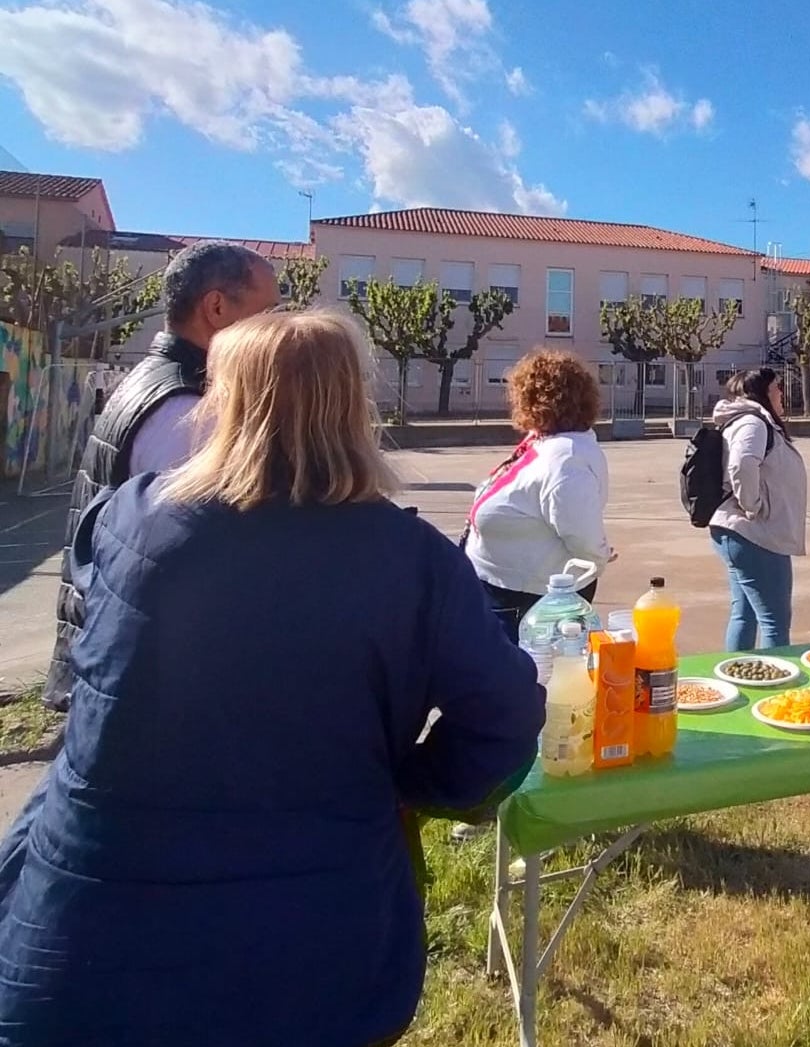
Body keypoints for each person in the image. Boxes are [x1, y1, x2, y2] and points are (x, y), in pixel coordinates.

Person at [0, 310, 545, 1047]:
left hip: (78, 945)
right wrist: (416, 785)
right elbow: (506, 718)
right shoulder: (412, 559)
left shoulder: (128, 514)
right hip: (309, 955)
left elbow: (103, 621)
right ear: (354, 405)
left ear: (223, 401)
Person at [42, 240, 280, 712]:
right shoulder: (190, 412)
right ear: (216, 307)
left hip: (109, 657)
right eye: (268, 312)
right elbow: (199, 562)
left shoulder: (155, 380)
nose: (277, 327)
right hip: (140, 679)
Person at [462, 348, 613, 642]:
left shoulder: (566, 458)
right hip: (506, 593)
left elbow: (583, 538)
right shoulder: (546, 442)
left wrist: (599, 554)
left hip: (529, 605)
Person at [709, 367, 807, 651]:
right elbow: (742, 464)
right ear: (762, 392)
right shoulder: (753, 423)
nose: (781, 393)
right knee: (774, 622)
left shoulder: (747, 421)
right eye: (777, 387)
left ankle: (736, 670)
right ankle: (777, 675)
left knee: (745, 614)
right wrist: (751, 505)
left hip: (742, 533)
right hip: (756, 535)